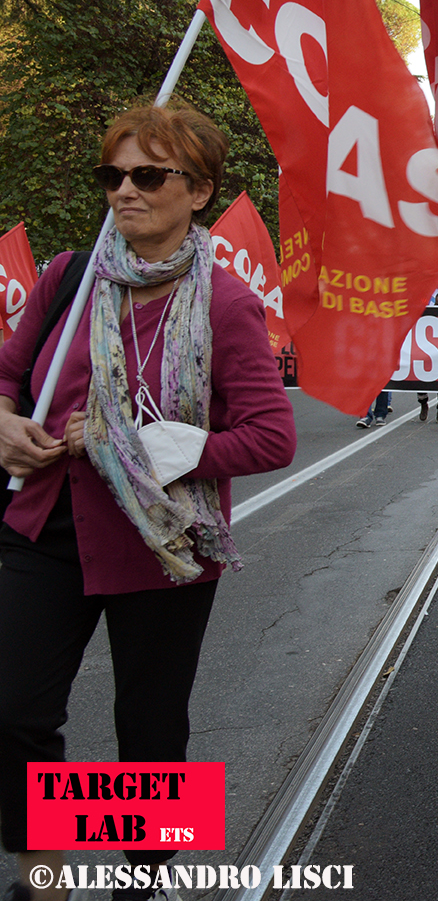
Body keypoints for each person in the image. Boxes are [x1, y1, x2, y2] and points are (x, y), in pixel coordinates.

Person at [0, 102, 297, 901]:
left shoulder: (228, 304)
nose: (125, 191)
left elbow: (273, 436)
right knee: (14, 709)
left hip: (162, 542)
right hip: (43, 525)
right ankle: (43, 865)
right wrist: (5, 422)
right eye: (114, 175)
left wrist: (185, 448)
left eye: (147, 175)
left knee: (151, 734)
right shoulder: (69, 276)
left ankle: (144, 876)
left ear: (197, 190)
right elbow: (7, 373)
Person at [417, 284, 438, 424]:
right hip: (426, 355)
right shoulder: (427, 314)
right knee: (419, 381)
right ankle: (423, 403)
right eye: (437, 304)